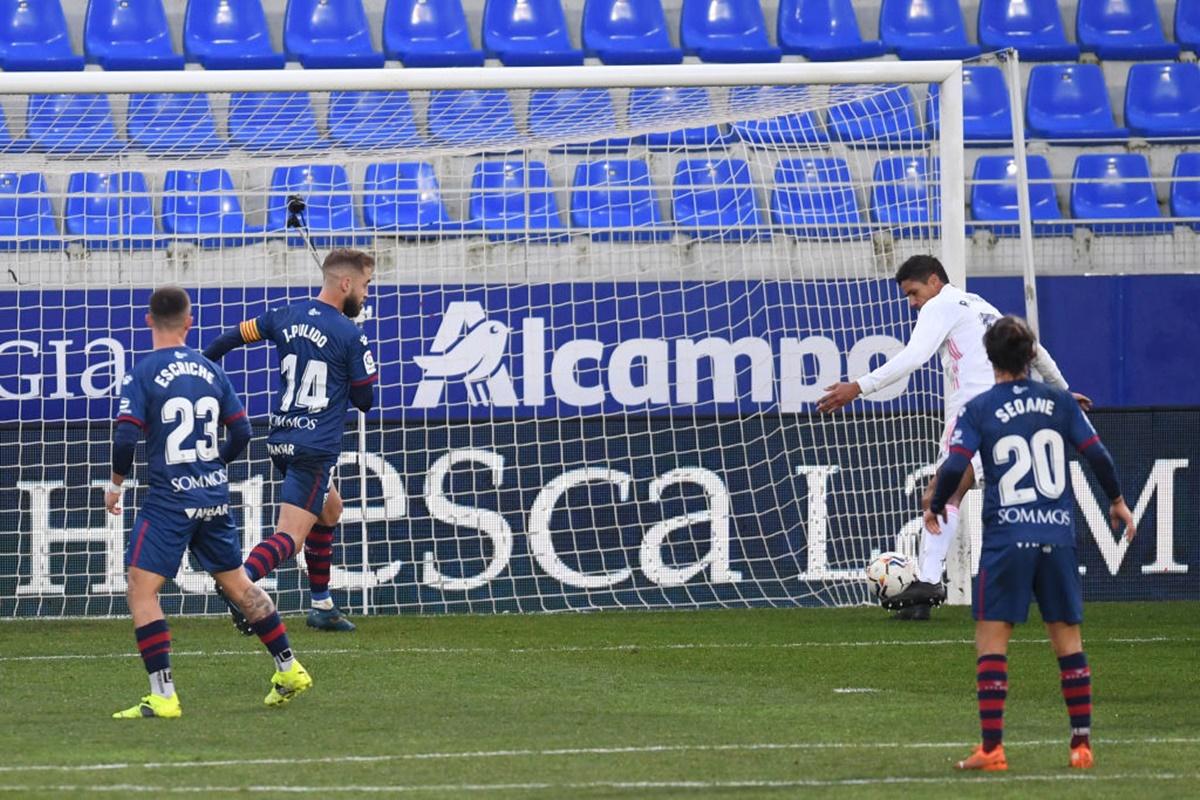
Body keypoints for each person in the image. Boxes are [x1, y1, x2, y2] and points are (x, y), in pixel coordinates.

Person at [817, 255, 1088, 620]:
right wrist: (1062, 391)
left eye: (913, 293)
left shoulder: (940, 304)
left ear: (933, 280)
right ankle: (935, 592)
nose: (912, 303)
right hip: (1012, 413)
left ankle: (928, 583)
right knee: (997, 499)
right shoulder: (981, 306)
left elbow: (914, 357)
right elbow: (1036, 350)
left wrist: (858, 387)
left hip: (972, 414)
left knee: (940, 494)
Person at [925, 315, 1134, 771]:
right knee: (1068, 642)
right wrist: (1117, 501)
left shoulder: (978, 408)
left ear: (989, 356)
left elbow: (955, 462)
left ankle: (993, 748)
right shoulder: (1059, 402)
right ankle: (1081, 745)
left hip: (1006, 539)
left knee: (992, 642)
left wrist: (937, 504)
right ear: (1031, 356)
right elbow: (1097, 453)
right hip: (1056, 536)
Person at [106, 286, 312, 719]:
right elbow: (242, 433)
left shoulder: (143, 372)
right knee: (238, 584)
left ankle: (163, 696)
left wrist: (115, 484)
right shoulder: (210, 370)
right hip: (214, 495)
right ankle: (289, 667)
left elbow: (126, 435)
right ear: (190, 321)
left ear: (148, 321)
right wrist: (212, 465)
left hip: (169, 498)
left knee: (142, 591)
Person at [204, 249, 378, 632]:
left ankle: (322, 606)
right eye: (366, 285)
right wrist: (356, 360)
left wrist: (204, 371)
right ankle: (239, 584)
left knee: (330, 510)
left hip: (282, 437)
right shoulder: (351, 334)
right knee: (290, 538)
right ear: (346, 283)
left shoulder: (283, 316)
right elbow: (365, 401)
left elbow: (229, 340)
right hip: (315, 446)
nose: (367, 294)